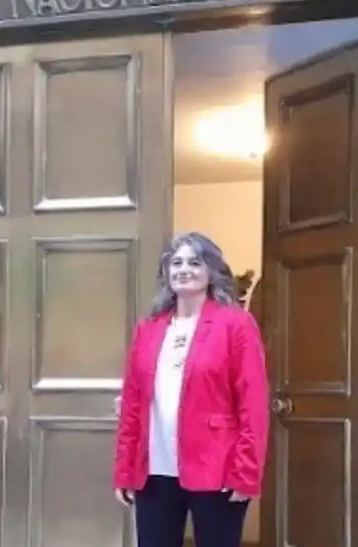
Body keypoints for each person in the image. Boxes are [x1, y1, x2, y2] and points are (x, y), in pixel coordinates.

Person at [113, 232, 271, 547]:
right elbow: (133, 404)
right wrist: (125, 469)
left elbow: (252, 404)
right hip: (154, 471)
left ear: (211, 271)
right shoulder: (149, 329)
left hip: (217, 469)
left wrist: (246, 473)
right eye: (176, 262)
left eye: (194, 262)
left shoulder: (235, 324)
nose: (183, 269)